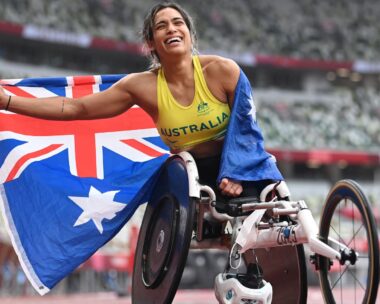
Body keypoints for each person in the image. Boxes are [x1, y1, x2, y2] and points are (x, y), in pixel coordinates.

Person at [0, 2, 276, 201]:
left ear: (190, 35)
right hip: (190, 176)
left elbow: (247, 128)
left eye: (178, 23)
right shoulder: (141, 86)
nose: (172, 29)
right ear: (151, 43)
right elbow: (76, 108)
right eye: (161, 26)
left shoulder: (223, 71)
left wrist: (237, 173)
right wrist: (7, 101)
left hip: (241, 166)